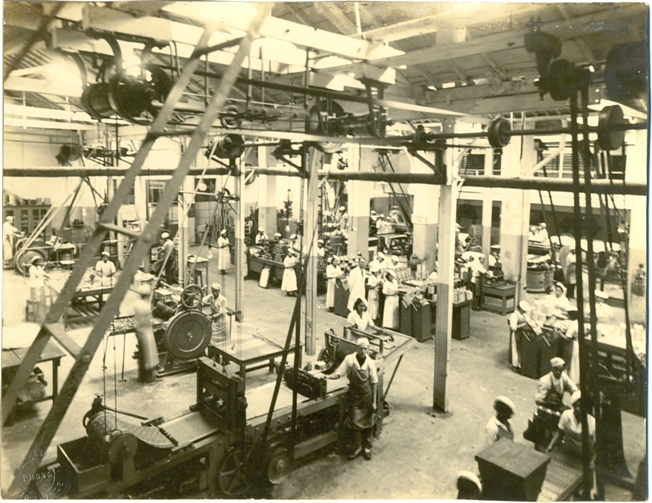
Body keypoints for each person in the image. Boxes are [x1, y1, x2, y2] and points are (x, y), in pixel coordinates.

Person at [328, 338, 378, 461]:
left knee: (368, 421)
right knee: (355, 422)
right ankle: (358, 447)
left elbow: (374, 382)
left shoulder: (370, 362)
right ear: (357, 348)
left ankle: (367, 447)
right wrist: (326, 377)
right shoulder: (349, 359)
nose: (363, 351)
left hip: (366, 395)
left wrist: (374, 402)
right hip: (355, 395)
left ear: (368, 349)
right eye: (361, 348)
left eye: (365, 349)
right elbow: (339, 373)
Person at [546, 391, 596, 460]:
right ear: (573, 405)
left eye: (581, 407)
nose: (578, 409)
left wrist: (592, 461)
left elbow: (595, 445)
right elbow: (559, 433)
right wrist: (550, 446)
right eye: (577, 406)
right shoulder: (566, 415)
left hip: (583, 457)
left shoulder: (592, 422)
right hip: (567, 452)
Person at [132, 285, 159, 383]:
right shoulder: (146, 306)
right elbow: (148, 320)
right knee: (149, 355)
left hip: (139, 330)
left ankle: (142, 377)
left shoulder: (136, 304)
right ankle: (149, 378)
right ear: (147, 296)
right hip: (147, 332)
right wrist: (154, 321)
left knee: (142, 354)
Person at [508, 300, 532, 373]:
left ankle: (520, 365)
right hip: (516, 333)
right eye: (523, 311)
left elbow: (528, 320)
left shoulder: (523, 315)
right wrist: (523, 325)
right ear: (520, 309)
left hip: (522, 334)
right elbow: (513, 327)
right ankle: (515, 365)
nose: (524, 312)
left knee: (520, 350)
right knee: (515, 350)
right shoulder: (514, 315)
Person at [561, 311, 581, 385]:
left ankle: (569, 381)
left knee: (570, 363)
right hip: (578, 344)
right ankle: (575, 381)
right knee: (576, 364)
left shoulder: (573, 325)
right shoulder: (580, 323)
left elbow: (568, 337)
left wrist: (559, 333)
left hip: (573, 345)